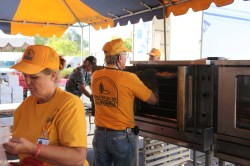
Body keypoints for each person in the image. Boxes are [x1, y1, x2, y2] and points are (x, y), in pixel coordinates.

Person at [3, 45, 88, 166]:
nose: (27, 82)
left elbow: (77, 157)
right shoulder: (25, 106)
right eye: (25, 76)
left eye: (34, 77)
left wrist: (33, 149)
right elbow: (20, 149)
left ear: (53, 76)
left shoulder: (69, 104)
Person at [91, 38, 158, 166]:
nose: (126, 59)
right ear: (120, 58)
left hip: (99, 135)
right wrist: (151, 81)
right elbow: (152, 100)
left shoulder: (96, 75)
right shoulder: (129, 78)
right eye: (125, 56)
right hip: (121, 137)